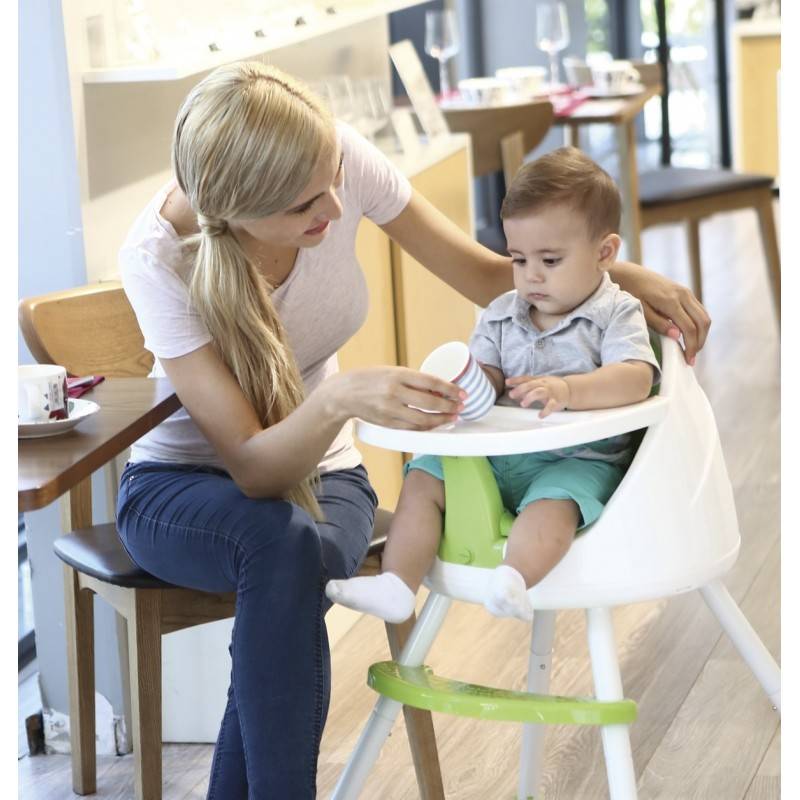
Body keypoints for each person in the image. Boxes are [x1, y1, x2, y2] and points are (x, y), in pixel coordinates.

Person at [115, 60, 709, 799]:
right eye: (308, 205)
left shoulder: (332, 157)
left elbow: (490, 276)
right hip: (182, 491)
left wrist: (625, 278)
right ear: (240, 211)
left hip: (325, 478)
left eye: (333, 176)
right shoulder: (156, 258)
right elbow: (253, 470)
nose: (336, 204)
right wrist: (342, 400)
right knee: (279, 546)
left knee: (287, 556)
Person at [325, 147, 660, 623]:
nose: (532, 276)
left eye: (549, 259)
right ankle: (397, 584)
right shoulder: (503, 313)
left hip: (576, 459)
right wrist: (460, 384)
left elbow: (636, 378)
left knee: (555, 503)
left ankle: (513, 578)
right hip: (498, 455)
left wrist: (569, 392)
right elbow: (488, 377)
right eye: (518, 259)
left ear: (605, 252)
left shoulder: (615, 311)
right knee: (425, 474)